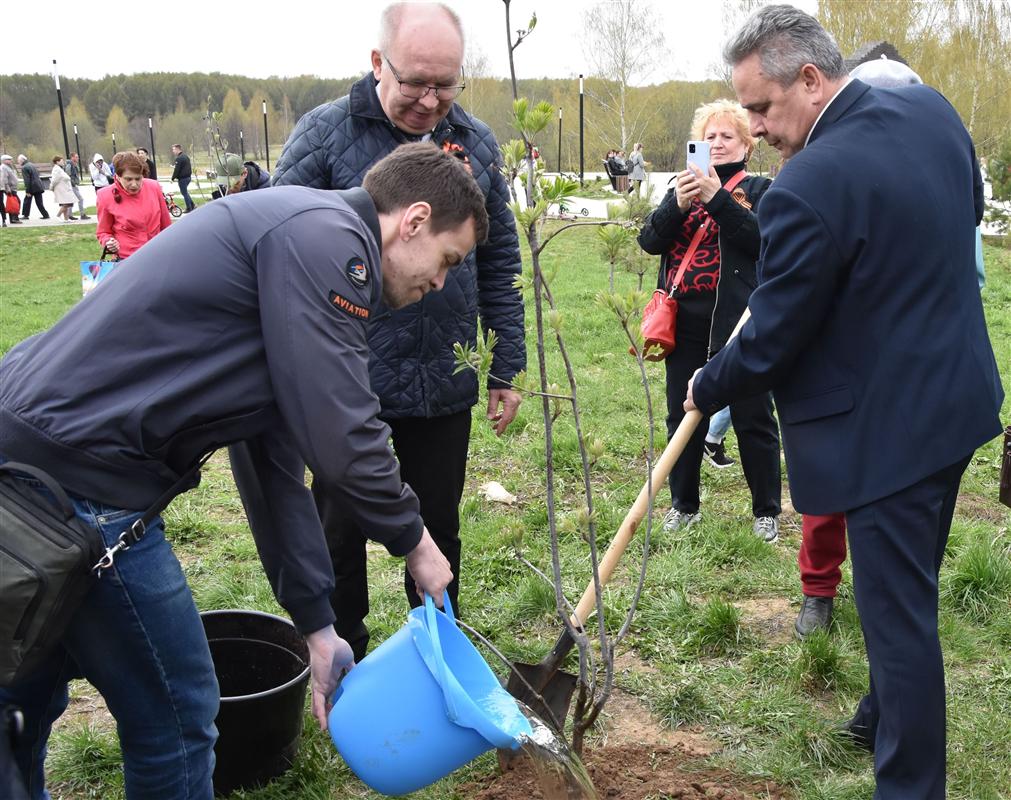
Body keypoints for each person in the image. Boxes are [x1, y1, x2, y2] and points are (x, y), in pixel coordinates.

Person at [0, 142, 482, 800]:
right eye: (447, 261)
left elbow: (273, 462)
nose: (441, 283)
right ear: (414, 220)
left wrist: (318, 627)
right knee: (178, 718)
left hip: (28, 458)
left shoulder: (296, 240)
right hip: (80, 488)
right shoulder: (331, 241)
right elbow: (343, 434)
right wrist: (415, 540)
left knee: (22, 703)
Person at [686, 6, 1004, 798]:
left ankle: (908, 783)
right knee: (908, 591)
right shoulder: (927, 110)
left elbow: (772, 341)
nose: (754, 129)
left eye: (760, 108)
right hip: (956, 398)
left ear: (810, 78)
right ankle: (876, 713)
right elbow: (956, 215)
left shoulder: (809, 184)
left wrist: (707, 382)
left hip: (888, 432)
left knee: (897, 627)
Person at [272, 1, 525, 662]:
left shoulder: (474, 143)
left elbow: (498, 258)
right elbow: (275, 244)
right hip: (345, 377)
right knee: (337, 527)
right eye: (416, 82)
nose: (430, 99)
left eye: (446, 84)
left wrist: (504, 364)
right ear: (378, 62)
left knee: (436, 523)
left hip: (443, 375)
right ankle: (343, 657)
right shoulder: (323, 135)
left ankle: (438, 658)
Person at [793, 54, 928, 641]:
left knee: (892, 522)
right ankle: (818, 591)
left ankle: (888, 606)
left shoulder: (920, 166)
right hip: (836, 373)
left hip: (904, 380)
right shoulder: (818, 165)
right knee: (826, 489)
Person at [638, 98, 782, 542]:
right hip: (683, 320)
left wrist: (716, 199)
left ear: (746, 144)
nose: (716, 144)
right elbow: (649, 240)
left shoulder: (758, 190)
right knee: (682, 413)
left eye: (726, 136)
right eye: (709, 137)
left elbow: (762, 240)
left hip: (738, 323)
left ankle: (766, 511)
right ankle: (684, 505)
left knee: (752, 415)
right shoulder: (680, 187)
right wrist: (676, 206)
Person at [95, 151, 172, 259]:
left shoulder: (154, 187)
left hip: (157, 254)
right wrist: (109, 242)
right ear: (117, 176)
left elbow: (166, 225)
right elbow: (103, 232)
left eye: (138, 178)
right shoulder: (105, 196)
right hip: (127, 259)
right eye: (128, 179)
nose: (134, 184)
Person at [16, 156, 49, 220]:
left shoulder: (24, 167)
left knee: (27, 201)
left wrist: (27, 191)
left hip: (32, 187)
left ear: (22, 160)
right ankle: (45, 214)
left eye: (18, 160)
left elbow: (27, 180)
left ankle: (25, 215)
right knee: (39, 202)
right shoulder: (31, 164)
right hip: (38, 186)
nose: (18, 162)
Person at [48, 157, 76, 222]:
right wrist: (51, 187)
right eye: (61, 161)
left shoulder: (59, 169)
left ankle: (66, 218)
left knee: (65, 203)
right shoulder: (56, 169)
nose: (63, 162)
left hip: (64, 189)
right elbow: (54, 180)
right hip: (61, 189)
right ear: (57, 162)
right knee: (66, 203)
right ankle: (58, 215)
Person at [170, 144, 195, 212]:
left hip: (183, 179)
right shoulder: (185, 156)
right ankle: (192, 205)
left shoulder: (179, 158)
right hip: (188, 177)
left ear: (178, 149)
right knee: (185, 192)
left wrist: (172, 178)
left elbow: (177, 169)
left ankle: (189, 208)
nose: (173, 151)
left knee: (184, 193)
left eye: (174, 149)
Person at [66, 153, 90, 220]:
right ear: (72, 157)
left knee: (72, 200)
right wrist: (73, 183)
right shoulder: (69, 165)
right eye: (76, 157)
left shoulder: (74, 165)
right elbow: (67, 176)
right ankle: (82, 214)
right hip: (72, 185)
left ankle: (69, 215)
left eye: (77, 157)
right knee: (80, 199)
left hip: (74, 185)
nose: (78, 158)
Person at [0, 154, 21, 226]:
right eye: (8, 159)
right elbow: (4, 179)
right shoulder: (3, 167)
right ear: (4, 160)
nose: (10, 160)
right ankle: (13, 218)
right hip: (10, 188)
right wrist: (8, 189)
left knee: (14, 202)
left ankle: (14, 218)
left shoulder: (8, 167)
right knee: (15, 202)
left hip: (13, 187)